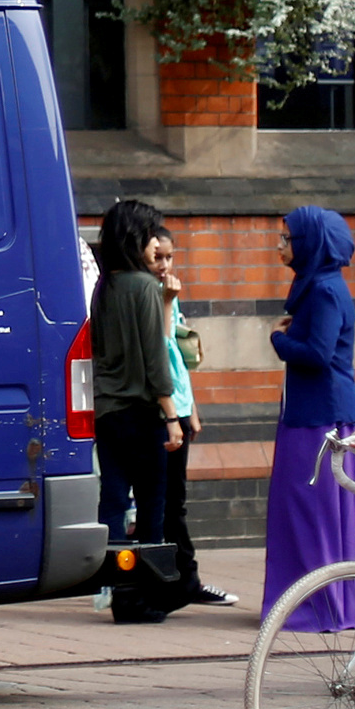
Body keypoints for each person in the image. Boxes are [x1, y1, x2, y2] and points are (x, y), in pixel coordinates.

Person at [262, 206, 355, 631]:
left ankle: (324, 604)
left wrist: (278, 338)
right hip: (313, 414)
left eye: (287, 238)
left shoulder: (325, 290)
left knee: (315, 512)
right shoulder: (317, 287)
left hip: (322, 419)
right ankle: (317, 599)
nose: (280, 245)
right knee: (308, 511)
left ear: (309, 243)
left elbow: (318, 356)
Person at [90, 198, 185, 625]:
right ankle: (143, 595)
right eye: (149, 235)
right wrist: (171, 414)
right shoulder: (145, 288)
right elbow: (154, 358)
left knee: (111, 502)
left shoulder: (104, 286)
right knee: (151, 508)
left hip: (106, 411)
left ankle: (116, 590)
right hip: (142, 412)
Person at [151, 233, 237, 609]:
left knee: (175, 503)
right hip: (161, 412)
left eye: (170, 258)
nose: (165, 266)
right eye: (158, 258)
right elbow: (162, 349)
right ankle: (182, 582)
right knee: (167, 505)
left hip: (179, 409)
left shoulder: (169, 296)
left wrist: (192, 409)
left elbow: (180, 362)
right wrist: (167, 302)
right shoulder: (149, 296)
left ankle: (182, 581)